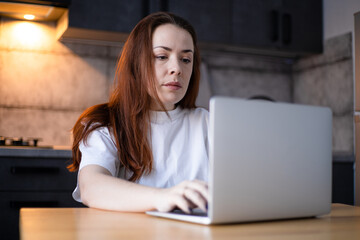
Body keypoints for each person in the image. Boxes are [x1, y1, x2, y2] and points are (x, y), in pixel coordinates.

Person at [67, 12, 209, 214]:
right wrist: (164, 197)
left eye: (186, 59)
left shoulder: (210, 124)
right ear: (136, 63)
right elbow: (92, 187)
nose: (176, 68)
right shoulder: (105, 124)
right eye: (161, 56)